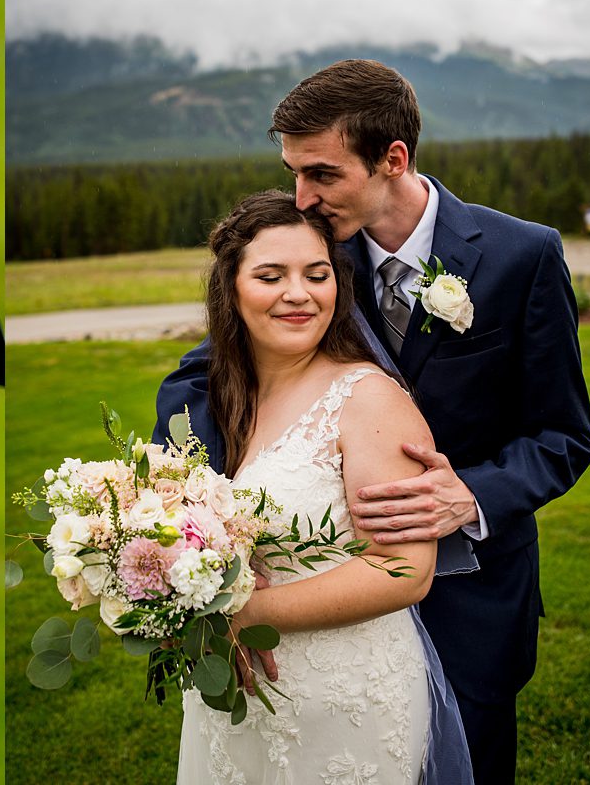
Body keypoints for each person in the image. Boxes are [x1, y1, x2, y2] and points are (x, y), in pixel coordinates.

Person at [158, 59, 590, 785]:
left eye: (321, 174)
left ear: (391, 159)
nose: (300, 197)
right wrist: (203, 516)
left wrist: (474, 495)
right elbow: (191, 381)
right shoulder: (312, 256)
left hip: (474, 596)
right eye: (292, 172)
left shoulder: (522, 255)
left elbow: (562, 437)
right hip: (334, 603)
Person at [170, 191, 446, 784]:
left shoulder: (367, 400)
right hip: (231, 694)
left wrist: (244, 613)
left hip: (342, 700)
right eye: (271, 275)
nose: (299, 293)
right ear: (232, 289)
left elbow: (404, 569)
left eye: (316, 275)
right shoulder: (215, 404)